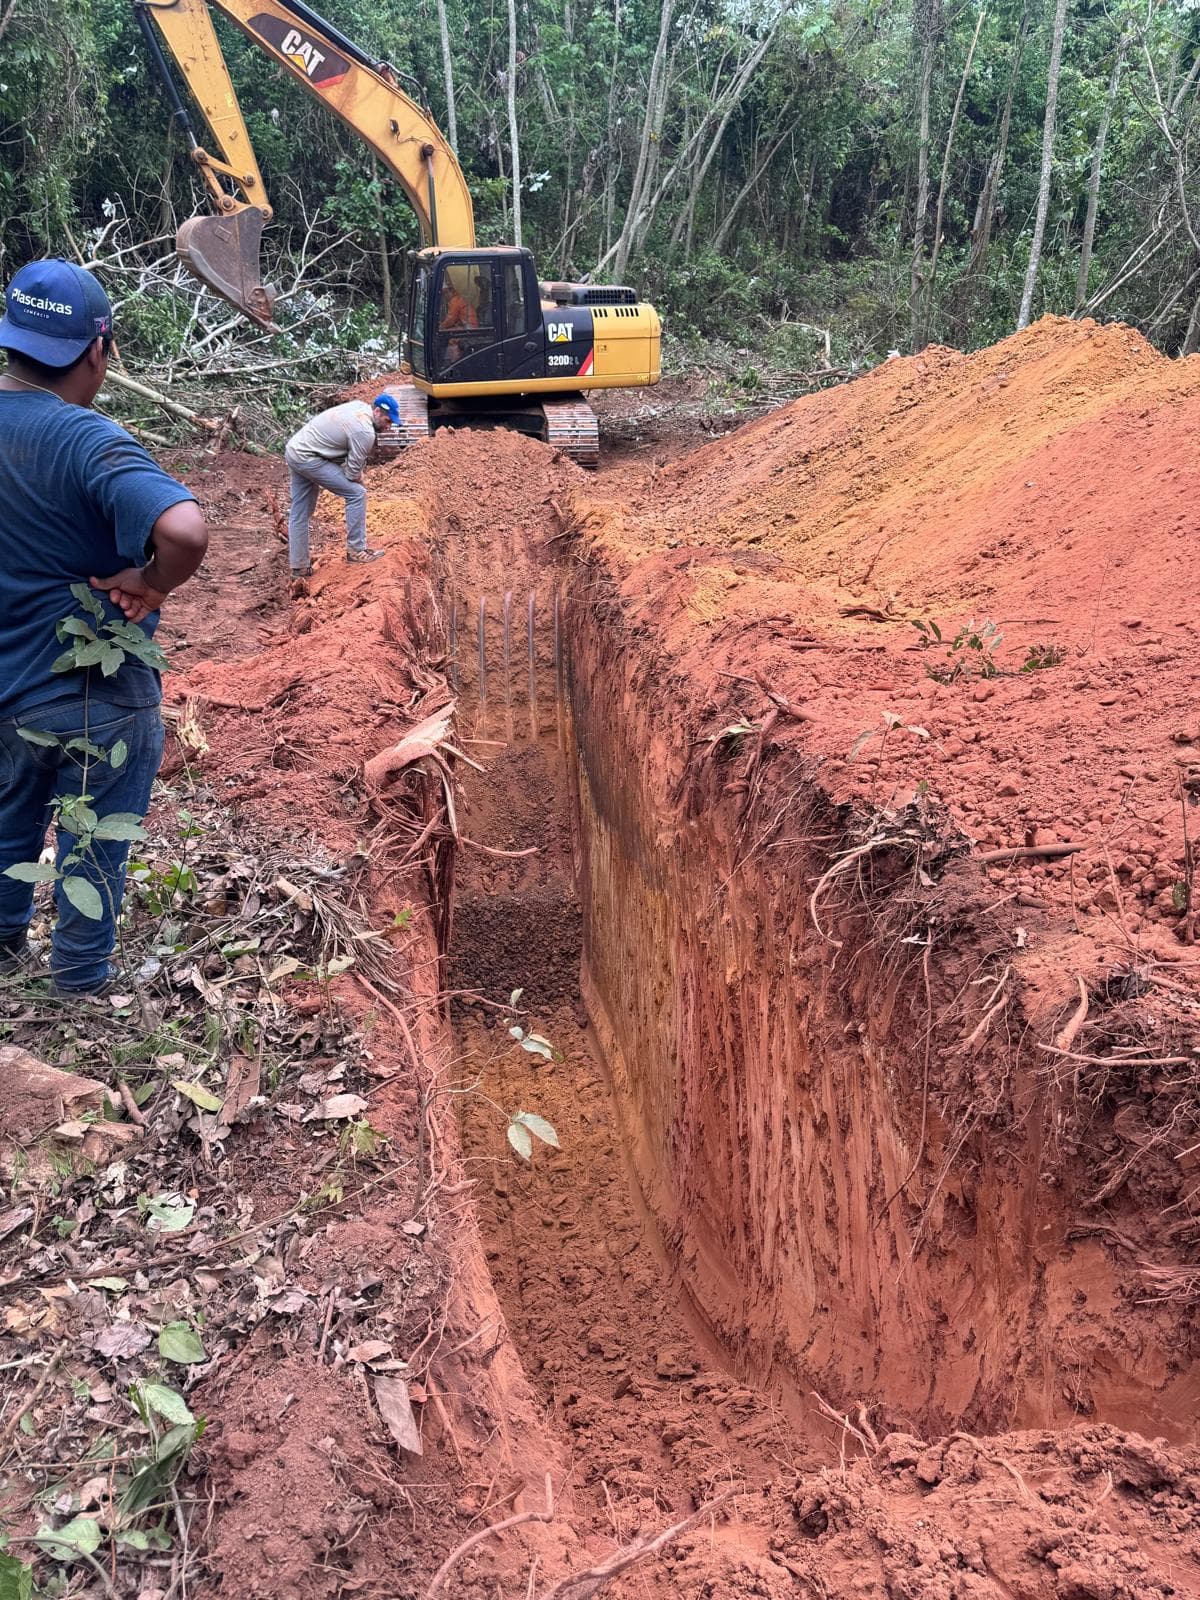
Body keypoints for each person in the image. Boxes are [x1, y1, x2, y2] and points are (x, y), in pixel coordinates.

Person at [0, 259, 208, 995]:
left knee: (9, 824)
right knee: (93, 846)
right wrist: (151, 584)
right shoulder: (86, 439)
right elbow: (184, 528)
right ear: (97, 350)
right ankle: (78, 986)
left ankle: (3, 951)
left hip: (8, 687)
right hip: (98, 693)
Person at [283, 394, 399, 578]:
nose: (388, 426)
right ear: (377, 411)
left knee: (300, 512)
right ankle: (356, 550)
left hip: (295, 450)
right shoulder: (365, 431)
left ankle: (299, 568)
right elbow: (352, 474)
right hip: (309, 457)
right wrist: (361, 480)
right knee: (357, 494)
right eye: (387, 420)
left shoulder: (360, 406)